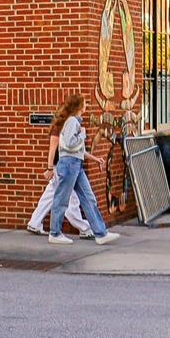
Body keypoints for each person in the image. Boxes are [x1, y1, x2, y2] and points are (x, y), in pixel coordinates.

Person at [46, 96, 119, 246]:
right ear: (79, 106)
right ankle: (55, 233)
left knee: (88, 198)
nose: (86, 105)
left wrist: (95, 158)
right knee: (62, 199)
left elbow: (78, 150)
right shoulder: (72, 121)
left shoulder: (74, 122)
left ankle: (100, 233)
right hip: (69, 165)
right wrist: (82, 134)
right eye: (85, 103)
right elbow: (70, 144)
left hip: (75, 164)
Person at [25, 111, 90, 236]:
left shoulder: (66, 127)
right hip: (61, 167)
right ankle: (84, 228)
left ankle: (34, 222)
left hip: (61, 166)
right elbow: (52, 150)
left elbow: (78, 149)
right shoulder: (58, 129)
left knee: (50, 194)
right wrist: (50, 168)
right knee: (71, 198)